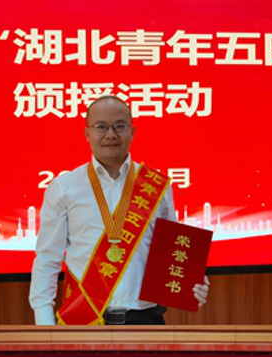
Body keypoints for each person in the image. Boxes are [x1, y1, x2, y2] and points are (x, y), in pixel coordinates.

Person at [29, 95, 210, 326]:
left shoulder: (157, 186)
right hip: (86, 322)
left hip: (147, 322)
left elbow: (173, 254)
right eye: (101, 127)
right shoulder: (64, 187)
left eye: (119, 126)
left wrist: (192, 284)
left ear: (132, 132)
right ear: (87, 133)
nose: (110, 134)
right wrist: (45, 326)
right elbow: (47, 258)